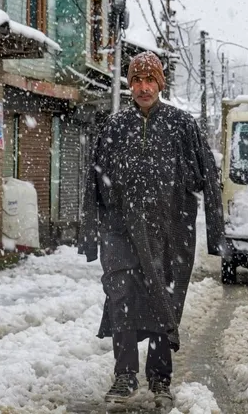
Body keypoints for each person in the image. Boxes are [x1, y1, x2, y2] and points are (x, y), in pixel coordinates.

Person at [82, 52, 224, 408]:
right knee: (120, 296)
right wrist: (88, 233)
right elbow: (93, 182)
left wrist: (216, 234)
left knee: (163, 299)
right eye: (137, 81)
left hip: (169, 229)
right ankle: (125, 375)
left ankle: (160, 379)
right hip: (119, 228)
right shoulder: (114, 127)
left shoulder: (182, 125)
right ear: (130, 84)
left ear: (161, 84)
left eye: (150, 81)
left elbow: (209, 176)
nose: (143, 88)